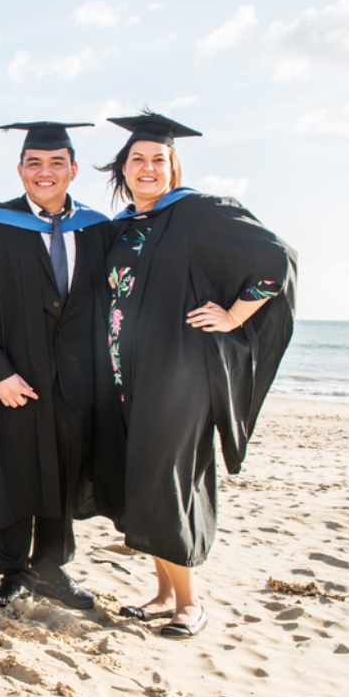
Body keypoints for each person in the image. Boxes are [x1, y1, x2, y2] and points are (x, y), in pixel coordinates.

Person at [91, 112, 297, 639]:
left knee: (166, 479)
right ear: (122, 167)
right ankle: (163, 594)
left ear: (173, 167)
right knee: (143, 479)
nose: (148, 167)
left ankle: (189, 603)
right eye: (138, 159)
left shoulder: (198, 212)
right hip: (126, 375)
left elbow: (276, 260)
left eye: (159, 159)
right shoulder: (125, 226)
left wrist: (234, 315)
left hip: (179, 375)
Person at [0, 122, 111, 611]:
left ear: (73, 170)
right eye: (35, 163)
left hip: (74, 382)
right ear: (20, 169)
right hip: (11, 377)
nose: (45, 172)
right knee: (9, 471)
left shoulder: (96, 229)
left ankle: (51, 569)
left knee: (62, 476)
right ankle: (12, 573)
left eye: (56, 163)